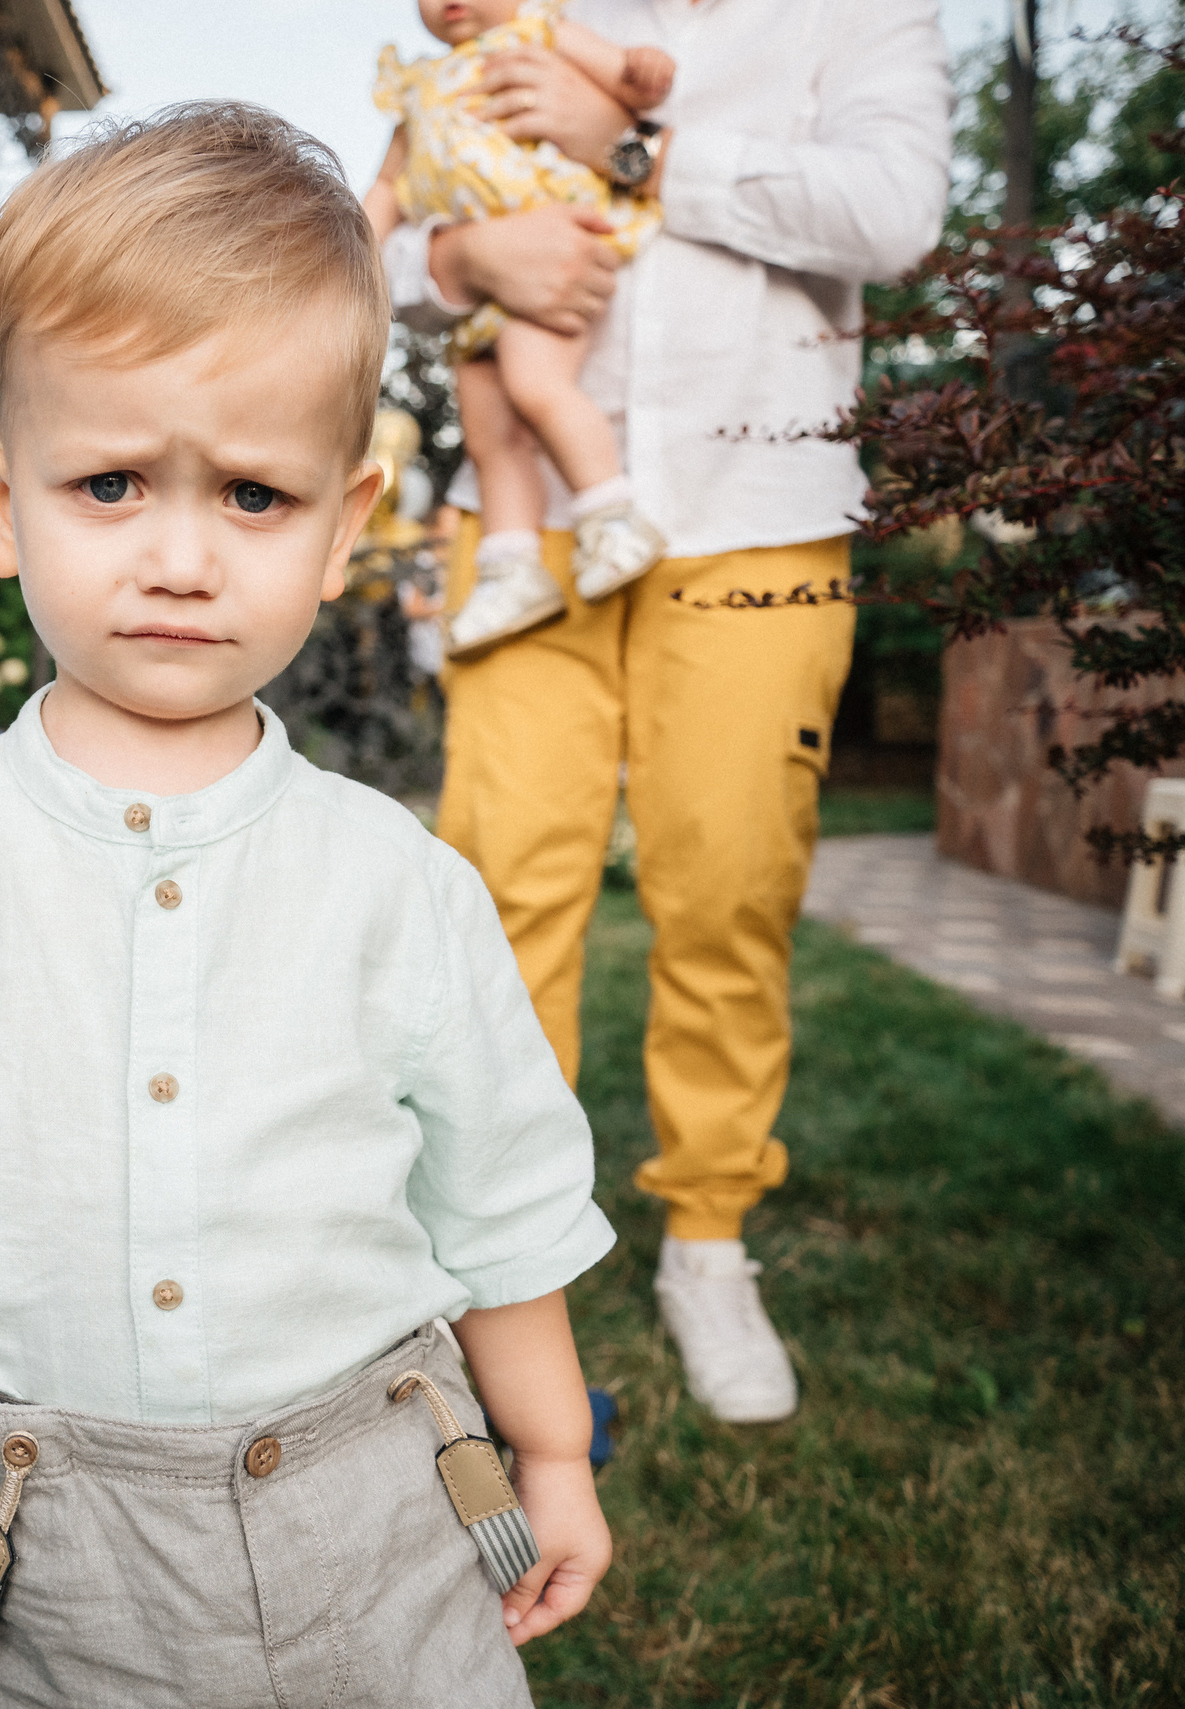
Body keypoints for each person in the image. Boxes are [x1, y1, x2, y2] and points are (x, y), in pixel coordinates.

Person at [0, 104, 616, 1709]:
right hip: (52, 1553)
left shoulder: (399, 888)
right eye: (110, 483)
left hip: (379, 1514)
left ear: (345, 525)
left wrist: (555, 1449)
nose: (179, 556)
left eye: (252, 497)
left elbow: (499, 1202)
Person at [383, 0, 951, 1423]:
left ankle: (707, 1243)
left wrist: (637, 148)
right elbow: (366, 236)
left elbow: (892, 214)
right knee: (499, 893)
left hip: (763, 514)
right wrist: (460, 255)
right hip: (527, 531)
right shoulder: (524, 7)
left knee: (728, 889)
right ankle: (494, 1267)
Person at [367, 0, 674, 659]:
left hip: (556, 251)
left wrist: (639, 74)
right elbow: (388, 186)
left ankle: (612, 516)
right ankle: (513, 569)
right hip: (480, 293)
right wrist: (351, 247)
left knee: (539, 388)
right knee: (489, 437)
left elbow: (628, 86)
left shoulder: (540, 33)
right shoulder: (416, 88)